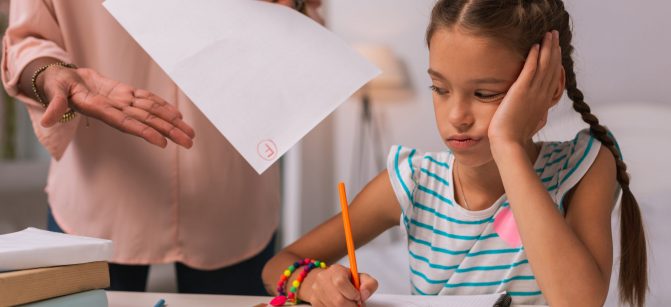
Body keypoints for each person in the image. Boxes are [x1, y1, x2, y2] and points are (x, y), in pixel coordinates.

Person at [262, 0, 647, 306]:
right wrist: (312, 283)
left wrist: (508, 145)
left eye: (485, 93)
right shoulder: (414, 181)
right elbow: (279, 263)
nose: (456, 116)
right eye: (440, 89)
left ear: (549, 85)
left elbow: (578, 302)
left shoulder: (584, 166)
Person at [2, 0, 322, 295]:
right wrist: (50, 75)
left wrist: (291, 7)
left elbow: (302, 17)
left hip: (231, 188)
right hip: (100, 191)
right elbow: (26, 40)